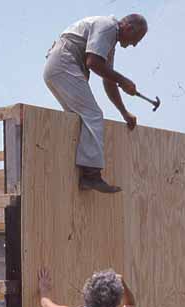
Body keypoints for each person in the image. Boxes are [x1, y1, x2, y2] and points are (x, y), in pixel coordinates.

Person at [43, 14, 148, 194]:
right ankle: (90, 175)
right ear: (128, 28)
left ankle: (83, 174)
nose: (134, 45)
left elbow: (108, 80)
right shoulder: (107, 27)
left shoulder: (110, 41)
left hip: (60, 65)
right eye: (135, 40)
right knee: (93, 115)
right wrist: (123, 80)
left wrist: (124, 112)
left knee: (80, 119)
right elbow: (93, 63)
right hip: (63, 63)